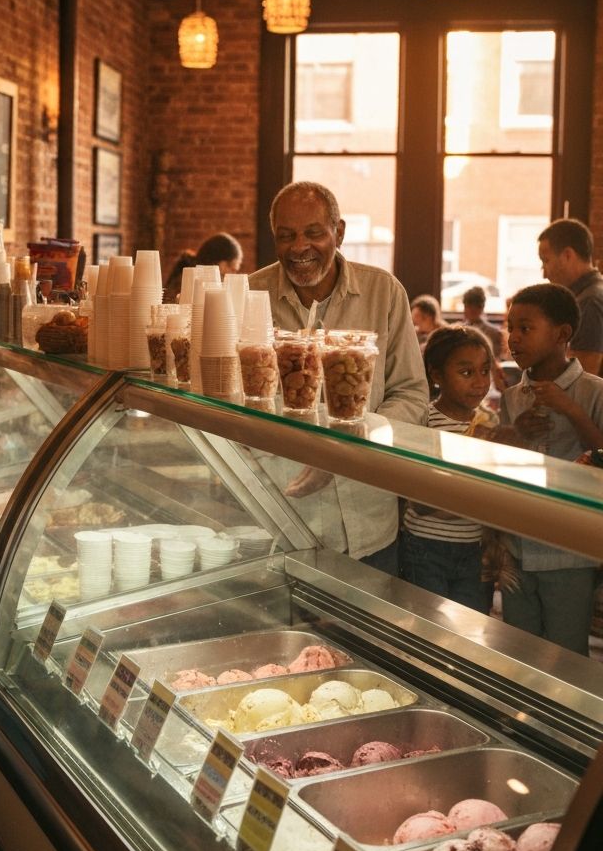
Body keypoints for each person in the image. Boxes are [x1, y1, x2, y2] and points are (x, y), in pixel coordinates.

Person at [248, 181, 428, 573]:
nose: (300, 247)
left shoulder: (384, 292)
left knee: (363, 634)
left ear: (339, 233)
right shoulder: (249, 296)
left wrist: (354, 439)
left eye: (314, 232)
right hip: (281, 517)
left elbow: (412, 393)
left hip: (369, 521)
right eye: (287, 235)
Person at [499, 282, 603, 655]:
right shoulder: (513, 396)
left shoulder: (593, 392)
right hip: (518, 543)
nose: (514, 338)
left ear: (562, 335)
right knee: (518, 650)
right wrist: (513, 432)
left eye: (525, 328)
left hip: (568, 549)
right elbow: (504, 465)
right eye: (510, 328)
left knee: (567, 653)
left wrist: (570, 409)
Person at [400, 326, 496, 613]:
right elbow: (422, 503)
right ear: (437, 375)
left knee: (472, 628)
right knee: (429, 625)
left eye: (485, 370)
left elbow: (494, 492)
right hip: (425, 546)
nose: (480, 382)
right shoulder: (424, 420)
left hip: (474, 548)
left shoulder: (490, 422)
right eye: (466, 373)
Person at [537, 218, 603, 375]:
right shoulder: (588, 296)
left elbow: (583, 381)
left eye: (546, 261)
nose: (544, 274)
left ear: (567, 255)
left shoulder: (590, 302)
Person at [163, 232, 243, 301]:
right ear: (220, 264)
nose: (234, 274)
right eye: (233, 269)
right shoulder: (190, 286)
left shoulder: (187, 277)